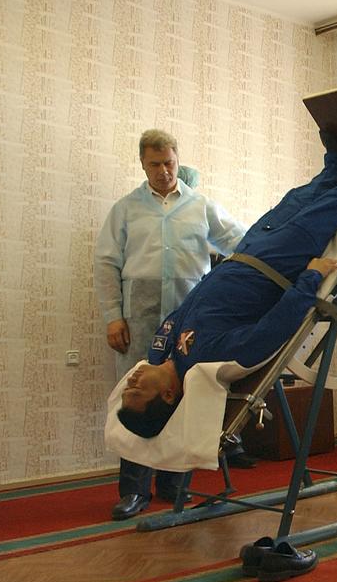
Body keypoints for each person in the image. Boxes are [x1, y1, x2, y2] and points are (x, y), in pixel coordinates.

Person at [115, 121, 337, 431]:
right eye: (136, 392)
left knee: (295, 199)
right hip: (278, 263)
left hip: (248, 250)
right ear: (168, 395)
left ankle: (336, 166)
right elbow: (275, 327)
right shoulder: (209, 361)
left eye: (126, 390)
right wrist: (311, 277)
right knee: (335, 205)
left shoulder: (160, 351)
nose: (130, 382)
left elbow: (182, 311)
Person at [95, 129, 245, 520]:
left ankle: (174, 484)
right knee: (137, 397)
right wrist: (113, 316)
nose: (163, 171)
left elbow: (240, 242)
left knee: (181, 398)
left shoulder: (201, 206)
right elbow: (106, 263)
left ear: (178, 160)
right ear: (142, 165)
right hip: (139, 317)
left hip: (189, 319)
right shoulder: (126, 209)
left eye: (169, 163)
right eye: (155, 164)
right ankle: (134, 491)